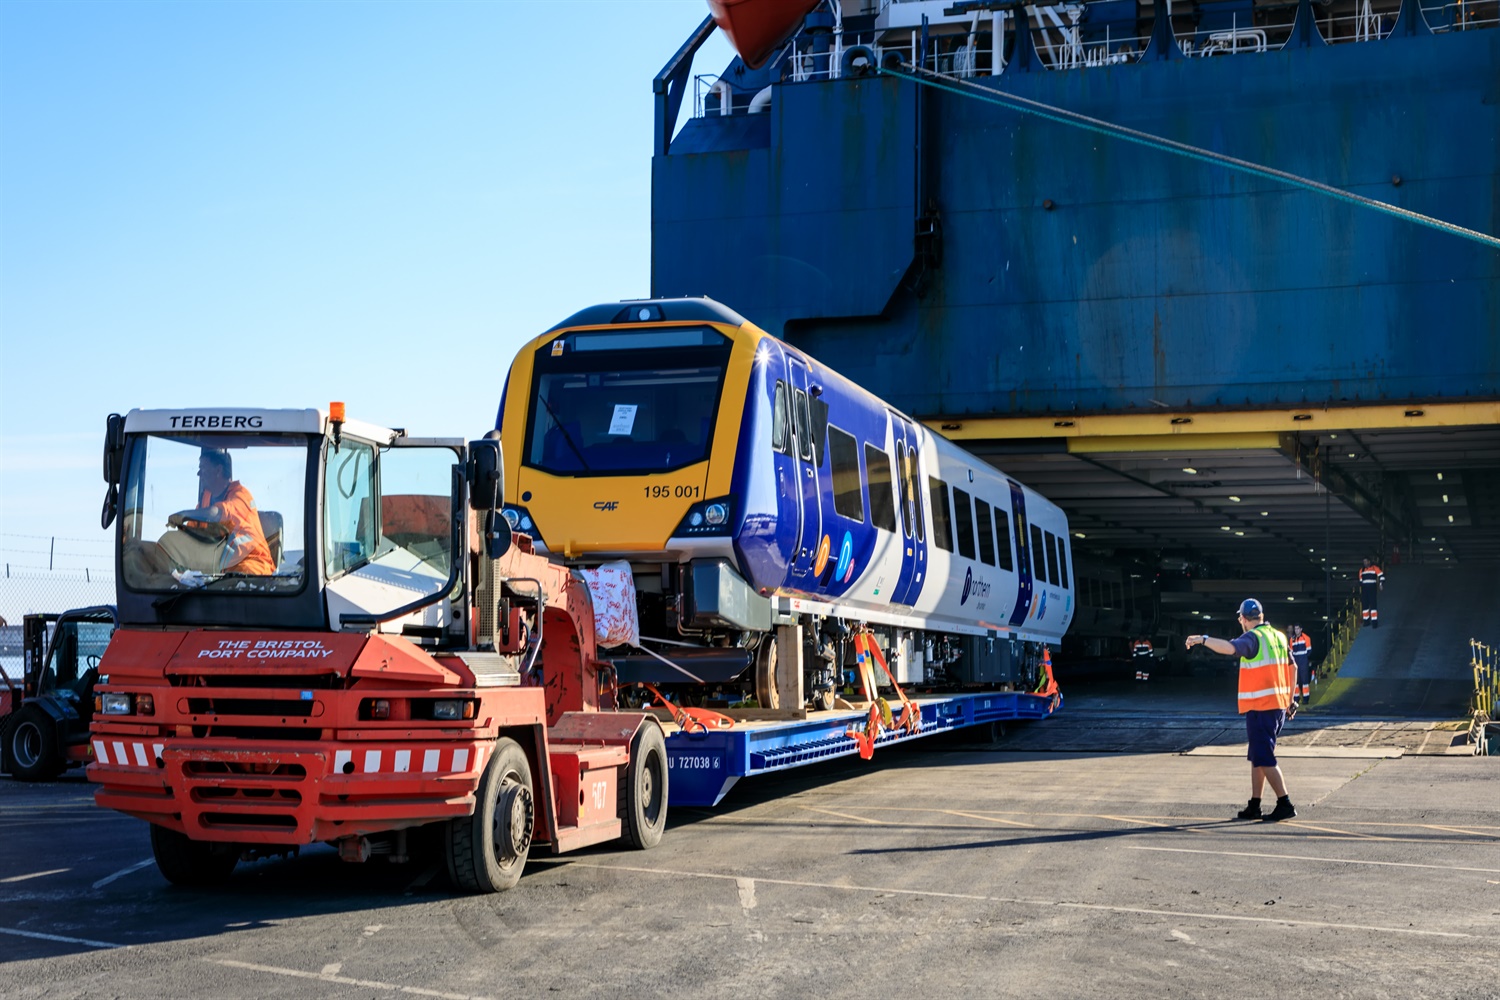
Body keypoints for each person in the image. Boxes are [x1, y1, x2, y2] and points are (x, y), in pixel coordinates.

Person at [1184, 598, 1298, 822]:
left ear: (1243, 619)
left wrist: (1203, 639)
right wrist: (1291, 698)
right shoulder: (1278, 636)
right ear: (1261, 616)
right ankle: (1254, 805)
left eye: (1241, 618)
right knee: (1258, 756)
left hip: (1261, 708)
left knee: (1264, 758)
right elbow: (1292, 667)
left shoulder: (1252, 637)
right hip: (1277, 707)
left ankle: (1285, 803)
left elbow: (1230, 648)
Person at [154, 449, 275, 577]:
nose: (199, 473)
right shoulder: (206, 499)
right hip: (217, 574)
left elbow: (217, 514)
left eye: (203, 468)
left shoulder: (240, 496)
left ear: (218, 470)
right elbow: (191, 532)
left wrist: (184, 514)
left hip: (251, 567)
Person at [1288, 624, 1313, 705]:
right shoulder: (1292, 639)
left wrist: (1303, 659)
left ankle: (1306, 698)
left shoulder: (1306, 638)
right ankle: (1296, 698)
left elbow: (1309, 651)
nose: (1296, 630)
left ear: (1301, 629)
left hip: (1303, 662)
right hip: (1296, 662)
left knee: (1304, 681)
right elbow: (1291, 651)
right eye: (1295, 629)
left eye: (1298, 629)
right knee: (1296, 681)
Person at [1359, 557, 1386, 627]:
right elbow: (1360, 581)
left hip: (1372, 589)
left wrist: (1381, 584)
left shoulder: (1375, 568)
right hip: (1364, 590)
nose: (1365, 563)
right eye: (1364, 562)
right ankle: (1366, 621)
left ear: (1369, 561)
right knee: (1365, 606)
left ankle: (1374, 622)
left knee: (1373, 605)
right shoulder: (1361, 570)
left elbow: (1382, 576)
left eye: (1366, 561)